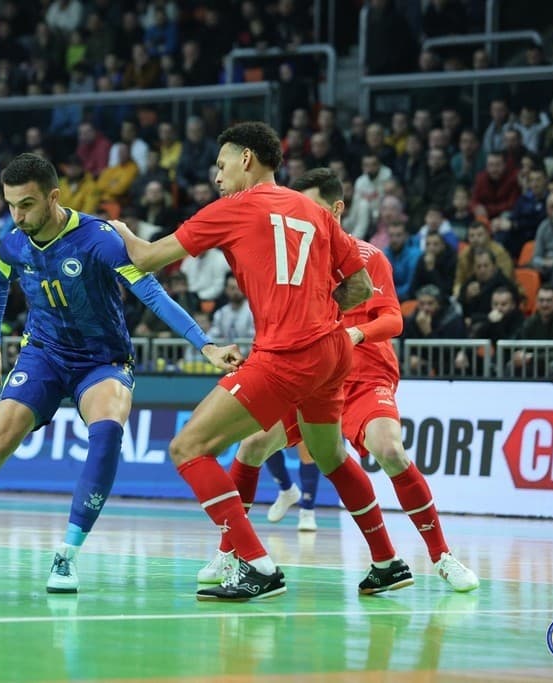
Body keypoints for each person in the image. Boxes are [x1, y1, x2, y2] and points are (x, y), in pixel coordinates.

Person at [0, 153, 234, 593]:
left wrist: (205, 344)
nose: (17, 216)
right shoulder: (14, 242)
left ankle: (66, 555)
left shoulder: (99, 239)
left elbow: (151, 292)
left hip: (102, 360)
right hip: (43, 354)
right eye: (10, 205)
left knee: (108, 430)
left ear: (53, 197)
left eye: (26, 205)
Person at [113, 122, 412, 602]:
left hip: (287, 353)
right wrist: (315, 307)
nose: (217, 176)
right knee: (332, 455)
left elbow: (147, 259)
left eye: (222, 164)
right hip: (335, 349)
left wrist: (119, 230)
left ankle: (257, 565)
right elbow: (357, 288)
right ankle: (387, 561)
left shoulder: (232, 208)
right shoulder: (314, 210)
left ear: (247, 159)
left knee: (188, 448)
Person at [196, 168, 479, 593]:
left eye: (312, 206)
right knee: (253, 445)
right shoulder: (294, 259)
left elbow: (393, 319)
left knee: (389, 450)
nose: (302, 214)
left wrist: (353, 332)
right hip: (310, 373)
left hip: (363, 374)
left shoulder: (367, 256)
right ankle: (231, 551)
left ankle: (441, 556)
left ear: (337, 208)